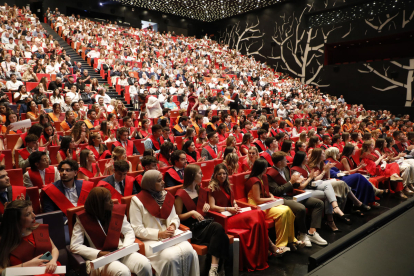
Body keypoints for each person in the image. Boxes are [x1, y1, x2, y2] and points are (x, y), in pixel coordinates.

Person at [129, 170, 200, 276]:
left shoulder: (165, 195)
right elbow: (137, 229)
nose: (163, 182)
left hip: (170, 234)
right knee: (170, 257)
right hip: (150, 240)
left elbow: (175, 217)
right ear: (150, 183)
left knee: (189, 250)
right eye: (159, 181)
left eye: (162, 179)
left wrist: (172, 225)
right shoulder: (136, 201)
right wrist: (159, 234)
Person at [70, 187, 152, 276]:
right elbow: (75, 245)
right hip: (102, 258)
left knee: (145, 264)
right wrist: (98, 253)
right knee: (122, 272)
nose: (111, 202)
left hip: (120, 250)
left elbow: (129, 231)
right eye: (108, 200)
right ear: (99, 204)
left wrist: (125, 247)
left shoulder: (116, 211)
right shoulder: (83, 218)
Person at [208, 164, 269, 271]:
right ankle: (268, 247)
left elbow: (233, 199)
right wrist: (228, 209)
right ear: (215, 175)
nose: (222, 176)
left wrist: (235, 204)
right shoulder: (211, 188)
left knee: (258, 216)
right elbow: (212, 207)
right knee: (257, 214)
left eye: (224, 173)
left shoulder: (227, 185)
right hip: (224, 219)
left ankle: (259, 255)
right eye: (219, 174)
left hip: (233, 213)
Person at [175, 164, 229, 275]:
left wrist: (206, 207)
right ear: (192, 175)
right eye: (200, 173)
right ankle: (217, 269)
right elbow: (177, 217)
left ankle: (214, 269)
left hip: (203, 224)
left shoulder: (199, 190)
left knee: (222, 236)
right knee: (218, 228)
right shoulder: (180, 194)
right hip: (192, 229)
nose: (202, 175)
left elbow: (202, 209)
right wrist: (191, 212)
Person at [267, 151, 327, 247]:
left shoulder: (286, 169)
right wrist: (291, 182)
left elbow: (293, 184)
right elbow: (277, 191)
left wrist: (298, 182)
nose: (287, 161)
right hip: (282, 198)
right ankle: (302, 234)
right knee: (301, 208)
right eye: (284, 160)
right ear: (279, 163)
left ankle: (312, 232)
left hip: (292, 194)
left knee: (318, 203)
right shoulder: (270, 174)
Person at [245, 159, 305, 255]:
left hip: (264, 204)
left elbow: (264, 193)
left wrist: (271, 196)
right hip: (257, 207)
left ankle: (291, 240)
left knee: (288, 209)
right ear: (263, 169)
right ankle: (281, 244)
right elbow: (257, 200)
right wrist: (271, 200)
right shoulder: (254, 181)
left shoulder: (261, 177)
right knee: (283, 212)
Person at [291, 150, 351, 232]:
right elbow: (301, 187)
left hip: (312, 186)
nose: (308, 158)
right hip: (303, 191)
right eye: (306, 157)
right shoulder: (295, 170)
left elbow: (316, 178)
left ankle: (335, 210)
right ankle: (331, 220)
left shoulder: (305, 167)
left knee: (328, 187)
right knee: (328, 194)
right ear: (301, 159)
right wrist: (310, 178)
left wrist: (319, 173)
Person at [0, 200, 60, 275]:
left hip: (51, 271)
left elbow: (54, 249)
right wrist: (29, 264)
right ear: (16, 219)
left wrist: (53, 261)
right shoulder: (4, 240)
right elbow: (2, 271)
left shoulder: (39, 229)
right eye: (28, 214)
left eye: (33, 211)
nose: (34, 215)